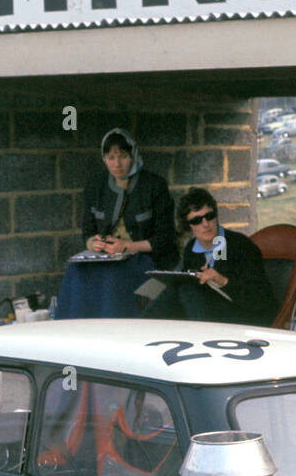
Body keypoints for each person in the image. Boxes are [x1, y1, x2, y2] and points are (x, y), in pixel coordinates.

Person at [147, 188, 277, 327]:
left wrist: (223, 281)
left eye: (209, 216)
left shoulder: (241, 245)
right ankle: (144, 328)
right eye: (197, 220)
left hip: (246, 317)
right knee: (169, 291)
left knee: (188, 292)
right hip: (210, 313)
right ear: (188, 225)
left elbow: (262, 299)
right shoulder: (192, 248)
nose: (205, 224)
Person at [82, 127, 176, 267]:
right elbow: (88, 232)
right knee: (75, 273)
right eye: (111, 157)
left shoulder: (155, 185)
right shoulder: (95, 186)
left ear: (133, 155)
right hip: (106, 258)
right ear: (104, 158)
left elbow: (165, 238)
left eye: (123, 156)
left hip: (146, 259)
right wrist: (94, 244)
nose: (117, 164)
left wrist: (127, 247)